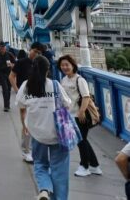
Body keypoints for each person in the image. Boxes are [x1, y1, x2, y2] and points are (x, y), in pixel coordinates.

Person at [16, 56, 72, 200]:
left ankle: (45, 190)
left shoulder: (26, 86)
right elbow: (67, 104)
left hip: (37, 133)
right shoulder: (54, 84)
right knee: (60, 169)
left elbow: (22, 107)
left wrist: (24, 126)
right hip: (58, 134)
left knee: (40, 164)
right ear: (48, 70)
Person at [58, 55, 101, 177]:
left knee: (81, 141)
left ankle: (84, 166)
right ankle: (95, 166)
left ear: (73, 65)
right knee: (82, 140)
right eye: (62, 65)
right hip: (70, 114)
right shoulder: (64, 80)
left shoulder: (79, 80)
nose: (65, 67)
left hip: (80, 115)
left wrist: (81, 112)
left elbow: (86, 97)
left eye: (67, 65)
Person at [10, 43, 44, 163]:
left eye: (39, 53)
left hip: (37, 97)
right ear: (30, 50)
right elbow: (11, 76)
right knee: (26, 123)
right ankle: (26, 152)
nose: (36, 54)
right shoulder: (21, 62)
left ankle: (33, 150)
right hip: (24, 96)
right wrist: (17, 91)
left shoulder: (41, 63)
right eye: (34, 51)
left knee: (35, 123)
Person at [0, 42, 16, 112]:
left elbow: (15, 63)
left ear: (5, 48)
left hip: (9, 73)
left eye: (3, 48)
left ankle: (8, 103)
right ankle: (6, 106)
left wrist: (11, 65)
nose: (2, 49)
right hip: (1, 74)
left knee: (9, 89)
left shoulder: (9, 54)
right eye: (1, 48)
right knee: (5, 89)